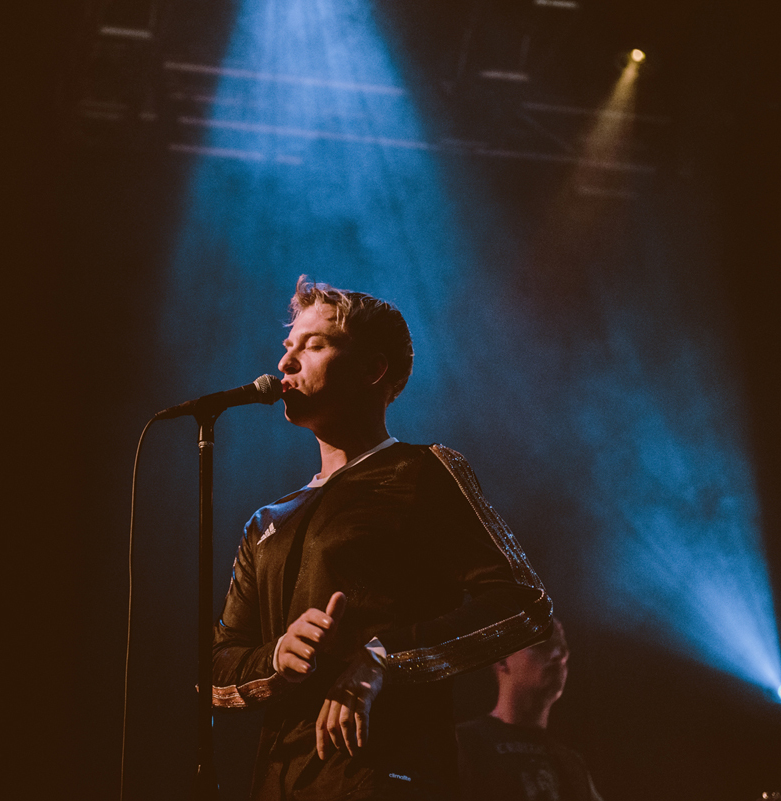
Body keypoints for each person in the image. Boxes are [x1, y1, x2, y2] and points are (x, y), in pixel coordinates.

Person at [212, 276, 554, 801]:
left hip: (388, 775)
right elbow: (217, 674)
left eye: (315, 344)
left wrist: (382, 657)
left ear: (373, 369)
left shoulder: (422, 472)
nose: (285, 363)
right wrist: (277, 656)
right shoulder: (266, 521)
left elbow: (520, 605)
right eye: (288, 347)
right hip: (281, 783)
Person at [456, 618, 604, 801]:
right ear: (502, 660)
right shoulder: (463, 744)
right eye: (543, 645)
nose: (560, 655)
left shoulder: (570, 763)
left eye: (564, 649)